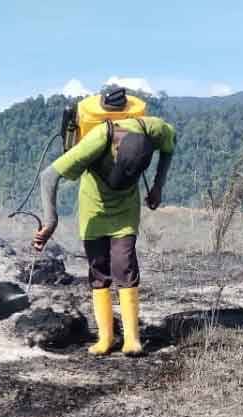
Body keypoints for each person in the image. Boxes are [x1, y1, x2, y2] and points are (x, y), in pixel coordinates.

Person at [34, 87, 176, 356]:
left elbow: (170, 144)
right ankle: (106, 337)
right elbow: (49, 176)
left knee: (124, 265)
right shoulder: (99, 138)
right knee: (99, 269)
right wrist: (50, 223)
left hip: (125, 211)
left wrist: (158, 186)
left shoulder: (153, 129)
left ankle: (132, 339)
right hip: (94, 210)